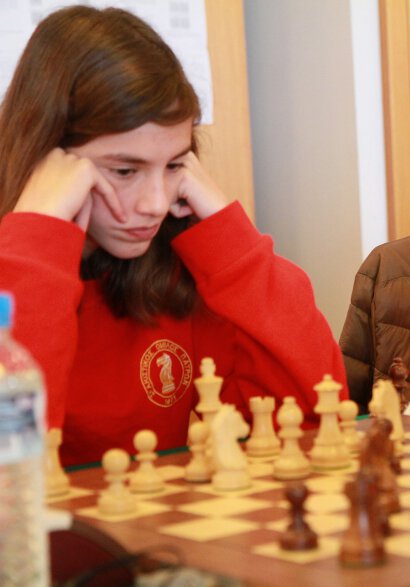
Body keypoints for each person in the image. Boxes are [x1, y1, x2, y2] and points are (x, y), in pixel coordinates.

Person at [0, 6, 346, 467]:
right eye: (125, 171)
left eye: (175, 165)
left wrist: (230, 236)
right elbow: (10, 463)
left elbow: (314, 425)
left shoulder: (184, 266)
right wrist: (36, 240)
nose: (156, 203)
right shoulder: (18, 261)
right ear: (47, 160)